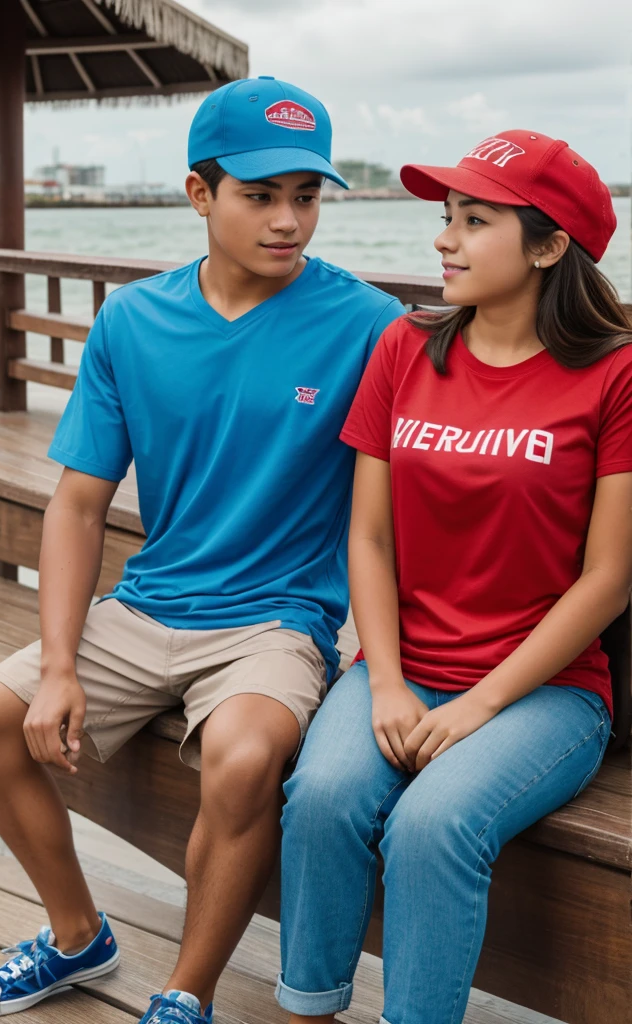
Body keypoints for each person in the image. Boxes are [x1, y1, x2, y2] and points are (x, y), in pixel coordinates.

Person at [0, 77, 403, 1024]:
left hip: (279, 622)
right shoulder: (131, 321)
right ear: (200, 195)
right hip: (148, 603)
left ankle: (183, 997)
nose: (289, 221)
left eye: (308, 196)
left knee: (243, 760)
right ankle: (79, 937)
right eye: (260, 194)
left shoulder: (370, 327)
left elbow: (408, 495)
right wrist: (65, 663)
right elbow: (77, 506)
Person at [276, 130, 632, 1024]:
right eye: (446, 217)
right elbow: (368, 536)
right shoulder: (407, 347)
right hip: (403, 665)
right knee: (320, 797)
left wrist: (478, 706)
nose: (444, 239)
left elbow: (610, 577)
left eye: (475, 221)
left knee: (432, 827)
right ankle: (305, 1006)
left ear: (551, 246)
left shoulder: (616, 375)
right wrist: (387, 682)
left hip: (547, 689)